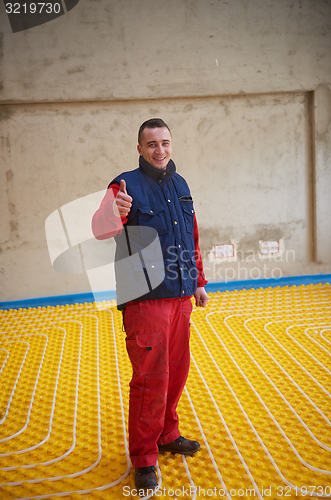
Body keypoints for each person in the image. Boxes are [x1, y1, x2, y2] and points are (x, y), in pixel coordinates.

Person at [92, 118, 208, 490]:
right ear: (139, 149)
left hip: (179, 298)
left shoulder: (180, 184)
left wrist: (199, 282)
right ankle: (144, 457)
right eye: (151, 144)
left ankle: (166, 435)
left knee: (176, 372)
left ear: (171, 144)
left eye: (165, 142)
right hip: (145, 301)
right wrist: (115, 210)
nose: (160, 150)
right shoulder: (124, 185)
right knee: (151, 380)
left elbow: (190, 236)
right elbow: (100, 229)